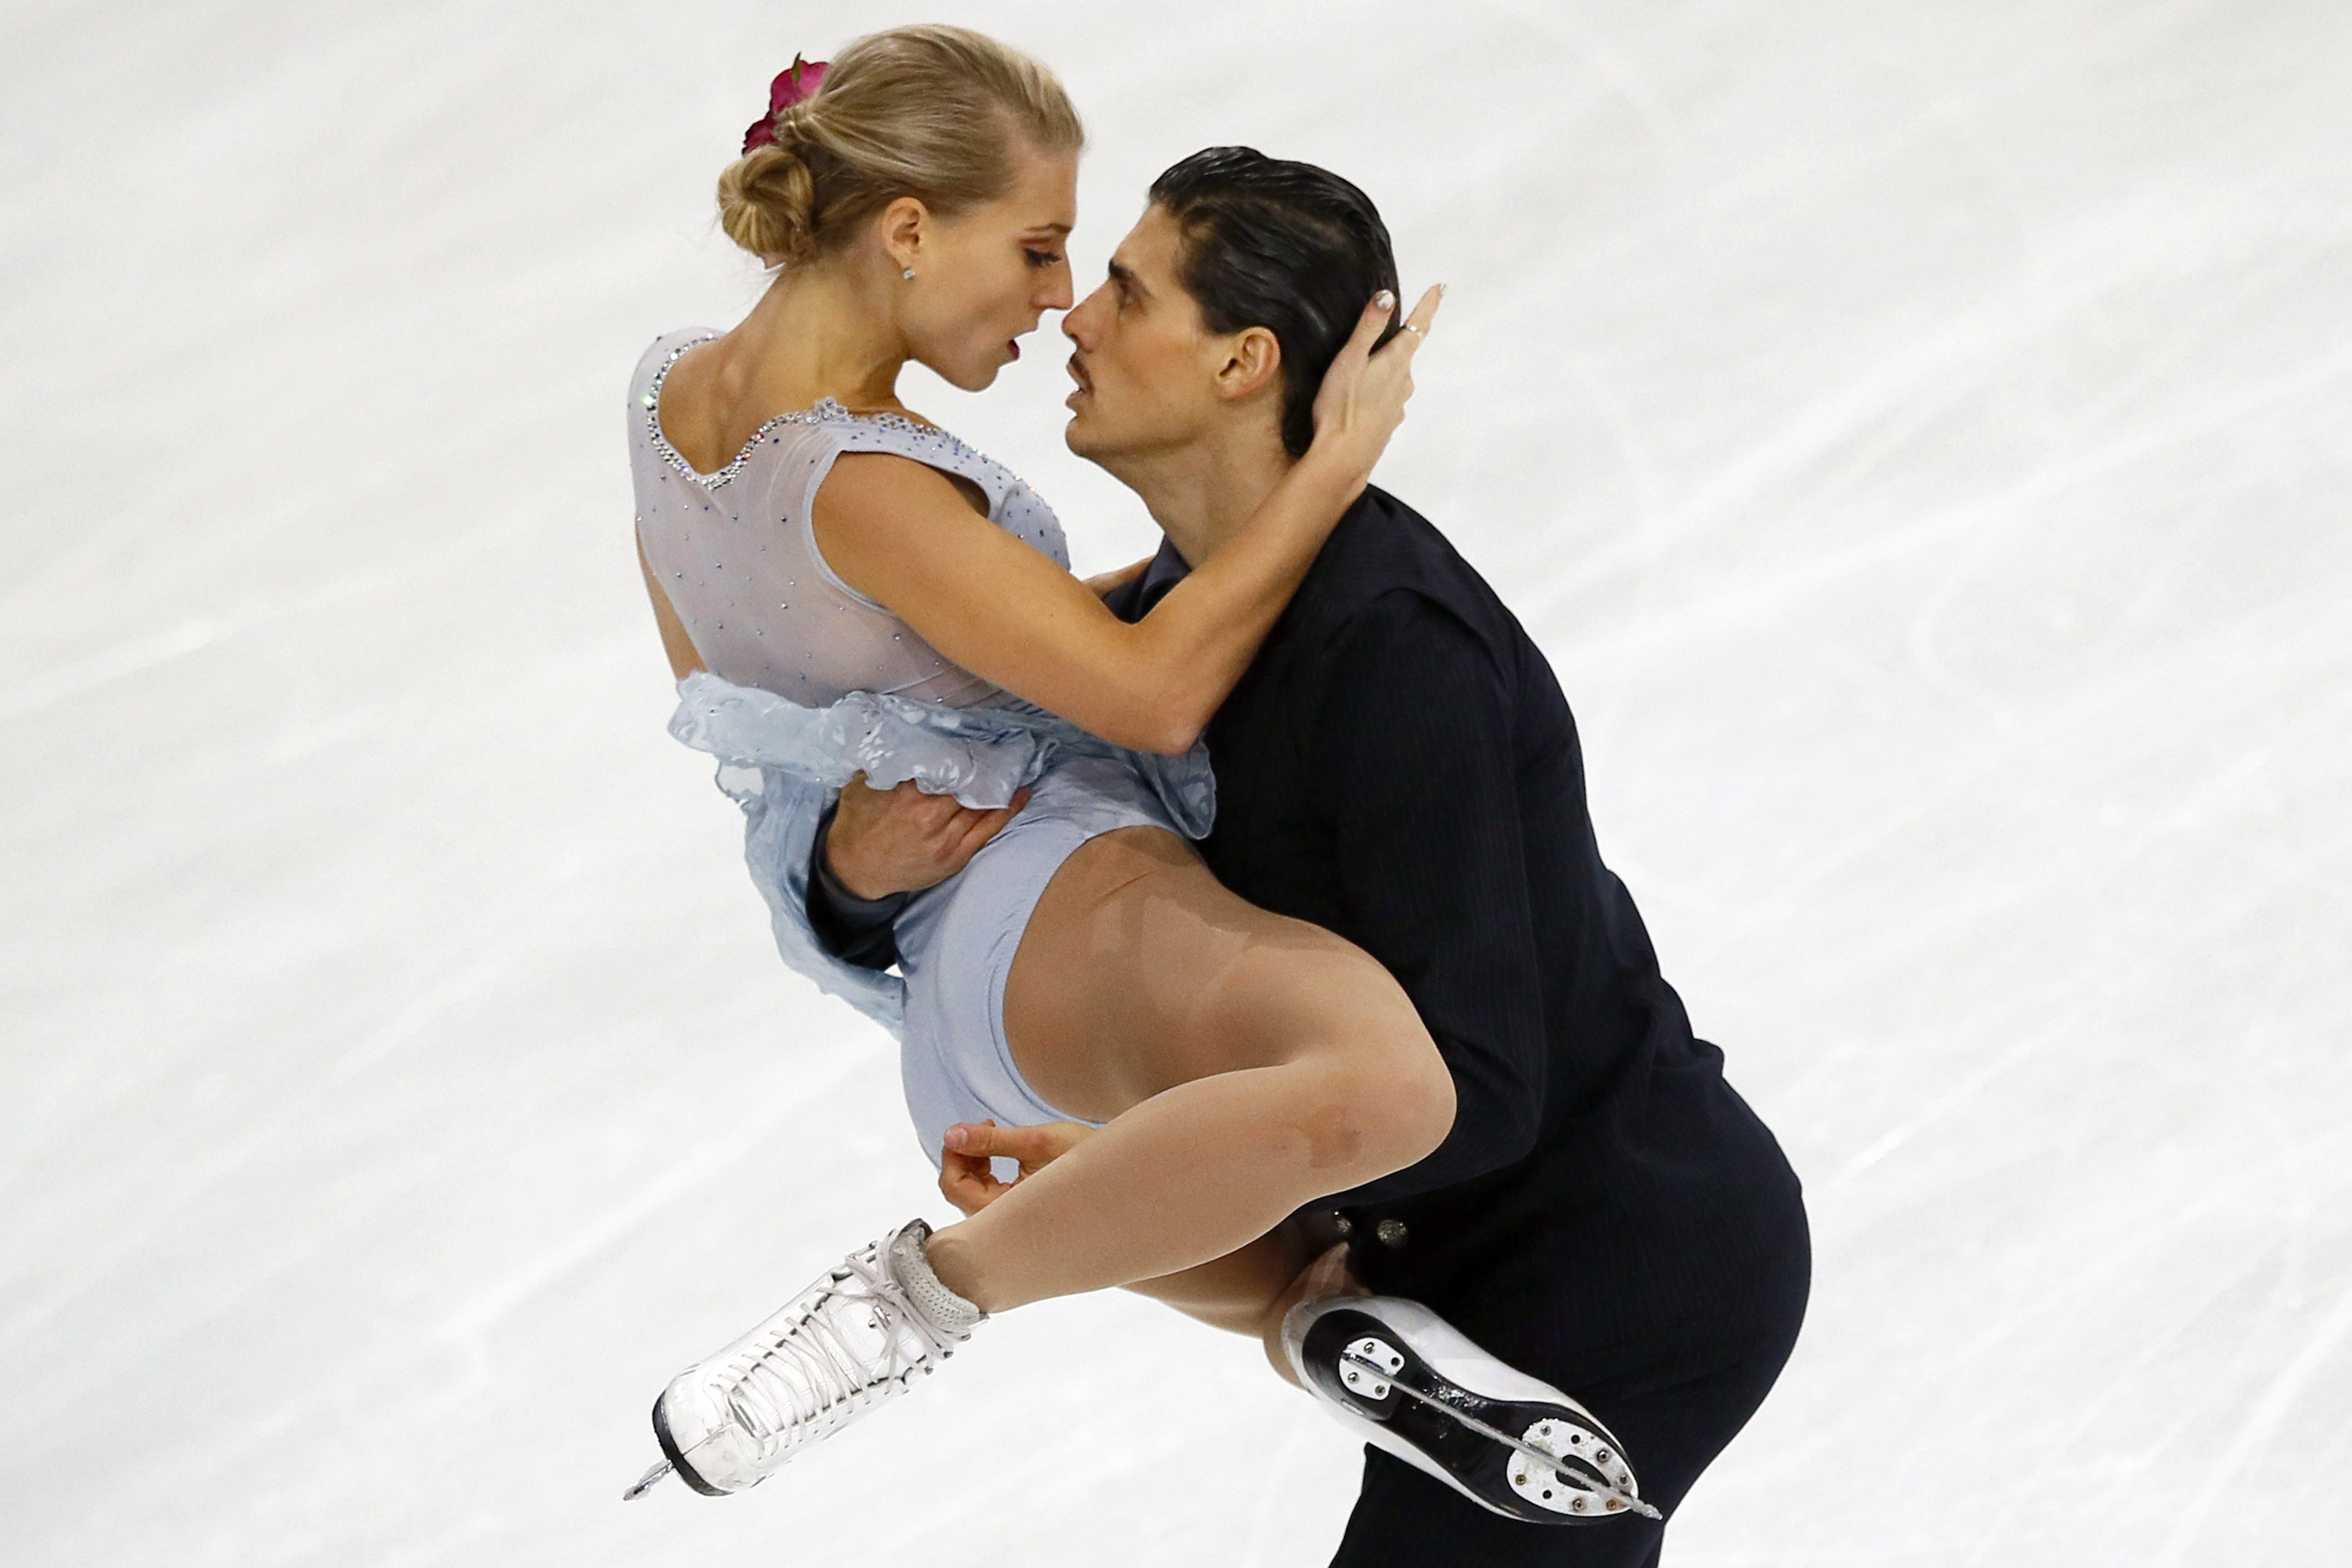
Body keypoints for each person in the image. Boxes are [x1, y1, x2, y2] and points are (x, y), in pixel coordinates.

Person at [623, 27, 1642, 1527]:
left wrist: (842, 873)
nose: (1057, 302)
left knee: (1283, 1246)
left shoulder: (668, 405)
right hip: (1068, 906)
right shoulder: (868, 479)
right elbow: (1156, 698)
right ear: (909, 229)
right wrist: (1329, 469)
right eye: (1039, 251)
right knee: (1386, 1080)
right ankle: (900, 1308)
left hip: (971, 1042)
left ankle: (1312, 1329)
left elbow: (758, 706)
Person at [811, 145, 1813, 1565]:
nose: (1076, 323)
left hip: (1625, 1265)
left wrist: (1177, 1157)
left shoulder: (1397, 651)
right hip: (1434, 1275)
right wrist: (857, 874)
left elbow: (1483, 1092)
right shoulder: (1163, 621)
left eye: (1126, 292)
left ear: (1244, 362)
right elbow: (932, 866)